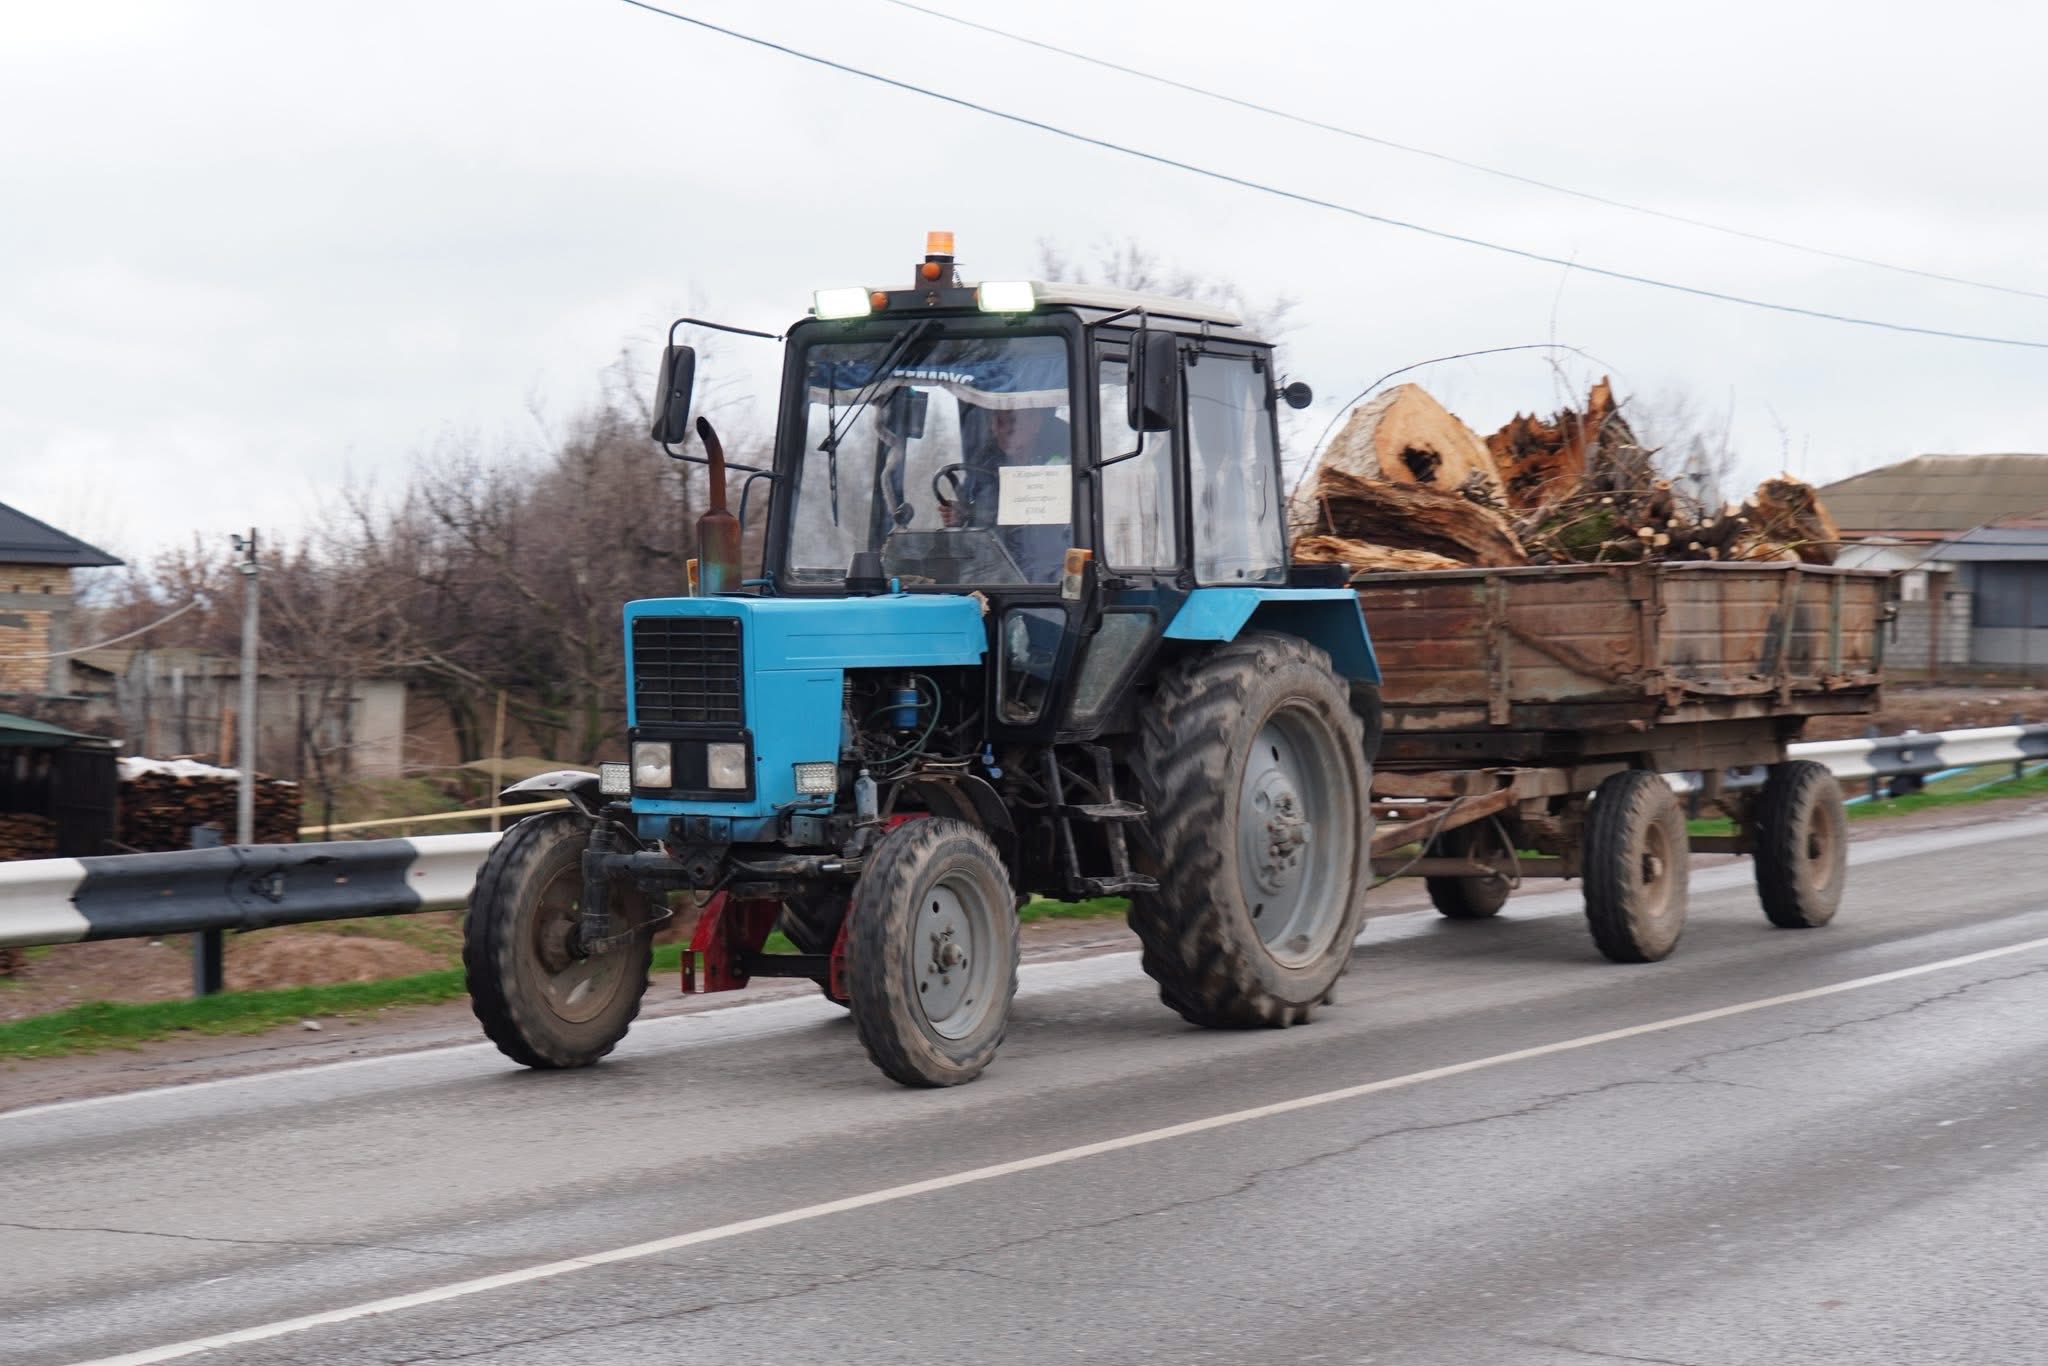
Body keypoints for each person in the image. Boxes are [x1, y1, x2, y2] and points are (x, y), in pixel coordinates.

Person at [941, 403, 1072, 582]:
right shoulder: (983, 468)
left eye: (1012, 421)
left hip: (1050, 577)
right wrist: (961, 518)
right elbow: (976, 527)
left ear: (1036, 422)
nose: (1004, 431)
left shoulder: (1065, 467)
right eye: (997, 422)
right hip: (994, 576)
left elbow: (1075, 530)